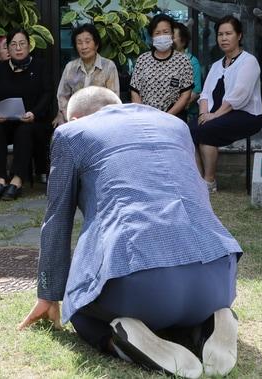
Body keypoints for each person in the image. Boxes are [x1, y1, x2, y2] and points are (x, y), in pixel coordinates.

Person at [19, 86, 242, 379]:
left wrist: (49, 294)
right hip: (217, 279)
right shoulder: (174, 125)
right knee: (183, 296)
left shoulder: (72, 134)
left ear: (74, 118)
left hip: (139, 288)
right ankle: (210, 322)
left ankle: (120, 340)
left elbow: (57, 219)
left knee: (81, 307)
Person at [189, 15, 262, 193]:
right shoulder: (216, 65)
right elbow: (205, 94)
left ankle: (209, 181)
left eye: (228, 33)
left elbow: (239, 95)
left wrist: (213, 116)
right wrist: (202, 114)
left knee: (207, 130)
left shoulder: (249, 61)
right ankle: (198, 180)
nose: (223, 38)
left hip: (247, 115)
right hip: (217, 114)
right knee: (188, 130)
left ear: (239, 36)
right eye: (220, 34)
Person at [0, 28, 52, 200]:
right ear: (8, 48)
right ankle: (0, 180)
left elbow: (47, 94)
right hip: (6, 120)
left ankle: (16, 180)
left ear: (29, 46)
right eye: (13, 44)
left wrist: (34, 113)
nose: (18, 48)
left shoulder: (41, 66)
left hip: (33, 121)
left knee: (25, 130)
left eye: (22, 44)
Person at [53, 23, 120, 128]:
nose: (84, 46)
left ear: (96, 44)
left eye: (88, 42)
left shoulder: (108, 66)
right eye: (79, 43)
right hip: (74, 120)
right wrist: (68, 116)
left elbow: (113, 99)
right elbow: (62, 96)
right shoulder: (70, 67)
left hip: (101, 121)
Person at [130, 14, 193, 122]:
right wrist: (142, 115)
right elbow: (135, 91)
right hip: (145, 119)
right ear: (152, 36)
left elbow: (185, 95)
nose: (162, 36)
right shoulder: (142, 60)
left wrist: (166, 117)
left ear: (172, 34)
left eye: (165, 32)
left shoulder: (183, 61)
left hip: (173, 118)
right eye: (157, 33)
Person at [174, 22, 203, 122]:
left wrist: (177, 107)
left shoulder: (192, 61)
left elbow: (196, 91)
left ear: (183, 40)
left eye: (173, 37)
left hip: (186, 114)